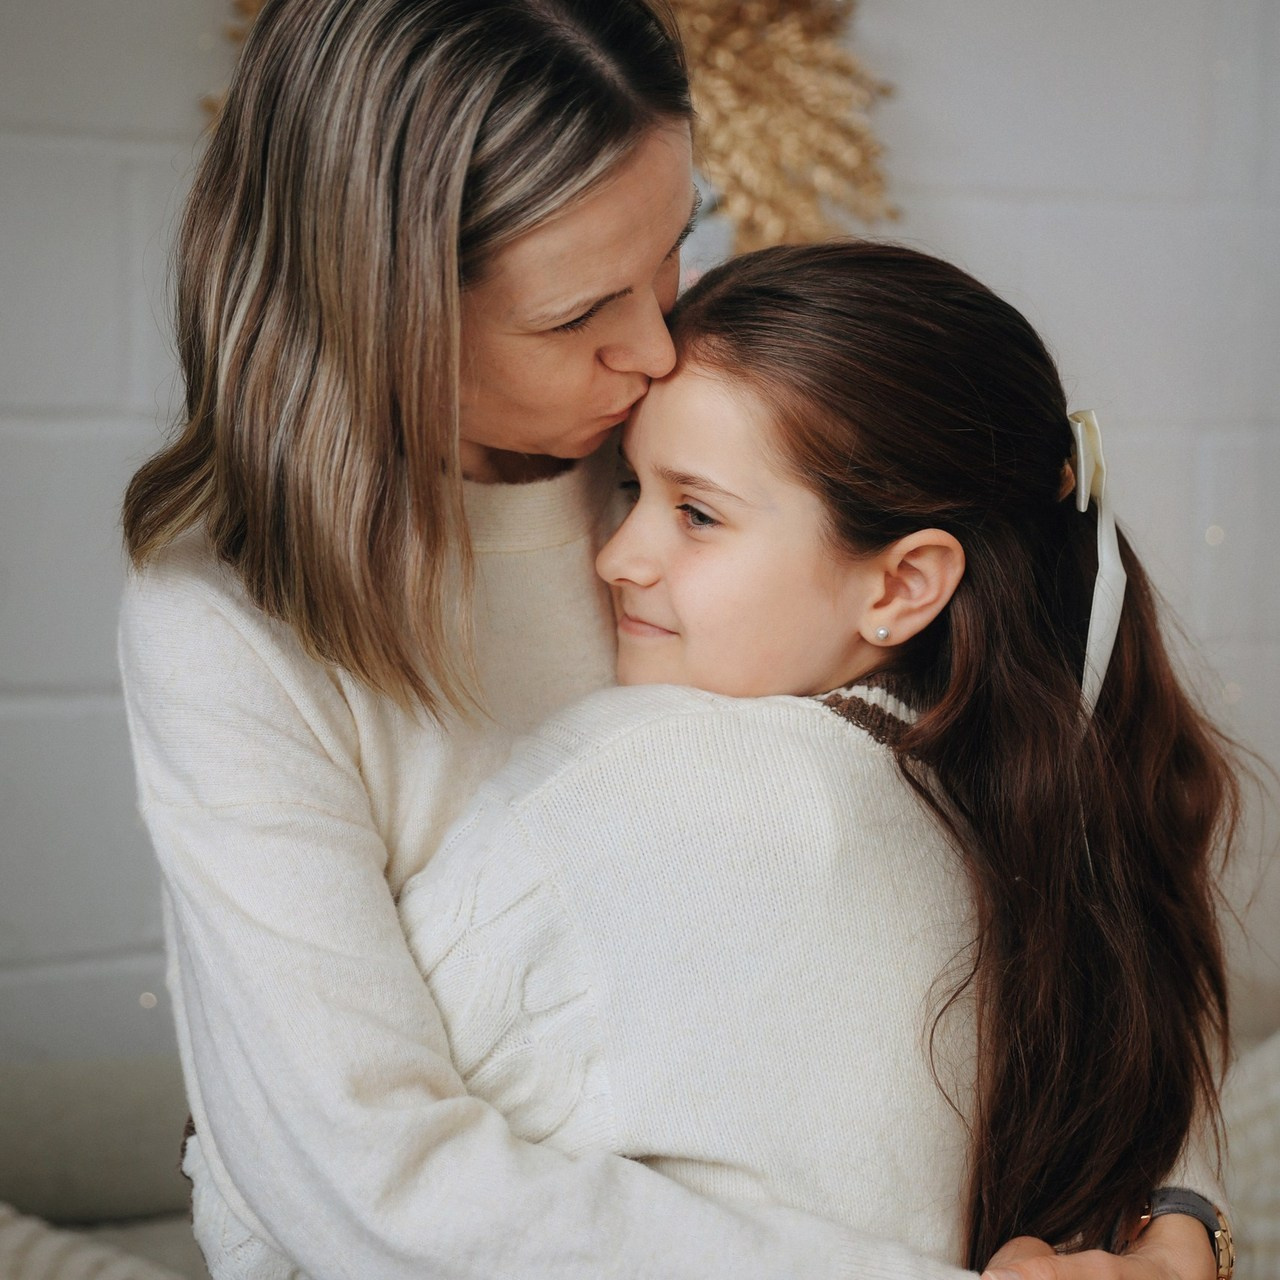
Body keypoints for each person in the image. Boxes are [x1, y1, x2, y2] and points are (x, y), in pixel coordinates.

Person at [116, 0, 1231, 1274]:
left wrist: (1173, 1213)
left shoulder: (685, 438)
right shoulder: (224, 625)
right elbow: (359, 1175)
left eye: (669, 250)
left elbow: (1068, 811)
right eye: (578, 312)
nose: (653, 345)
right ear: (382, 309)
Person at [394, 243, 1242, 1277]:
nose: (616, 554)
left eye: (696, 513)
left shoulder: (641, 776)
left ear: (900, 585)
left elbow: (299, 1162)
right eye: (628, 488)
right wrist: (1187, 1218)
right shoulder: (1040, 806)